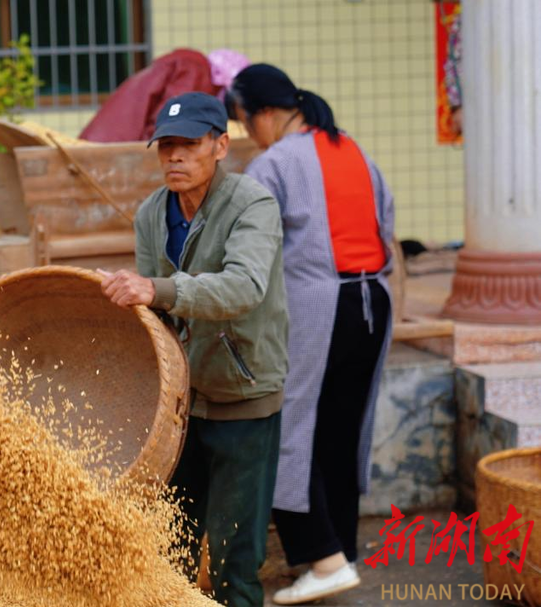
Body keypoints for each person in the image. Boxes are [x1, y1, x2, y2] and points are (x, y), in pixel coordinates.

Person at [99, 91, 289, 607]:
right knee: (171, 549)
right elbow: (155, 311)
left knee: (235, 559)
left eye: (189, 145)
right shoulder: (151, 214)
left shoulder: (252, 205)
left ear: (221, 145)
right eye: (166, 146)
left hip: (241, 393)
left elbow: (243, 287)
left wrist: (155, 289)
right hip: (178, 407)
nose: (175, 157)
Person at [226, 64, 395, 605]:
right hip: (374, 304)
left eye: (245, 121)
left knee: (286, 434)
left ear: (266, 114)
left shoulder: (274, 163)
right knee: (340, 433)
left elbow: (250, 248)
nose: (248, 133)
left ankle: (322, 558)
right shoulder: (355, 150)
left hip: (320, 310)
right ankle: (341, 551)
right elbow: (386, 228)